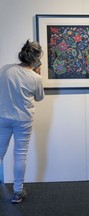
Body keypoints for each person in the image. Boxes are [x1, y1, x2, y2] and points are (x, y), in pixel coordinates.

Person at [0, 40, 45, 203]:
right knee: (20, 154)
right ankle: (18, 192)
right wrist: (37, 74)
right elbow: (39, 98)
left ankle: (18, 191)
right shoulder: (35, 77)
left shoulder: (5, 69)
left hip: (3, 116)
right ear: (36, 59)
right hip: (23, 120)